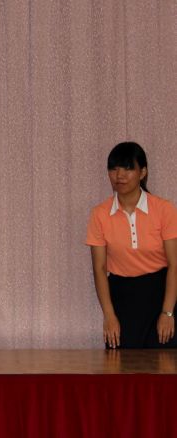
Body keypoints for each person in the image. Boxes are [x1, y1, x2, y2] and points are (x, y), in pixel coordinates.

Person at [86, 141, 177, 349]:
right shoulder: (99, 214)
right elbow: (99, 268)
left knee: (166, 362)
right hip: (122, 295)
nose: (119, 175)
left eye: (127, 168)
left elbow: (174, 264)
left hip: (161, 292)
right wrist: (109, 315)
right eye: (113, 169)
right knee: (120, 363)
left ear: (142, 172)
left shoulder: (164, 209)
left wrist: (168, 313)